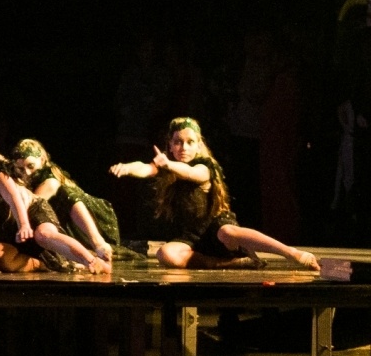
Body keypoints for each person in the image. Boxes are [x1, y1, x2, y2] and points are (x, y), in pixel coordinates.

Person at [109, 116, 319, 271]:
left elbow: (191, 173)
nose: (183, 147)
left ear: (199, 145)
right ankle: (228, 264)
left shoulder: (206, 166)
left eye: (190, 142)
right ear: (170, 146)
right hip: (193, 238)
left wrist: (169, 165)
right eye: (177, 142)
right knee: (165, 254)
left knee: (228, 232)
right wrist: (127, 168)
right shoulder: (168, 164)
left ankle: (291, 253)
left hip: (216, 228)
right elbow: (146, 168)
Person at [0, 121, 107, 273]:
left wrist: (24, 224)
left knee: (43, 235)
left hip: (30, 213)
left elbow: (13, 197)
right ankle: (39, 264)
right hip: (7, 227)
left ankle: (91, 261)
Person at [10, 138, 122, 261]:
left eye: (31, 165)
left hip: (91, 220)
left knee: (66, 194)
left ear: (42, 160)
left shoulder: (50, 180)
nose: (27, 172)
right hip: (63, 224)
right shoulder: (21, 179)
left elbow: (30, 208)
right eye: (21, 168)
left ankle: (97, 242)